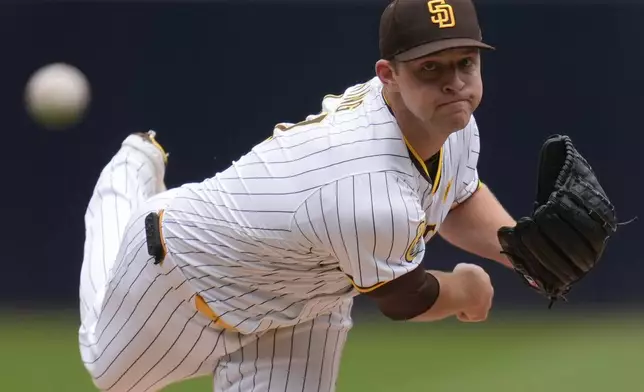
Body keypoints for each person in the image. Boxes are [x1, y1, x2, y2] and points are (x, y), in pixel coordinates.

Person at [78, 0, 518, 391]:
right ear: (388, 75)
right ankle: (131, 171)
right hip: (186, 276)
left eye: (466, 63)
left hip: (307, 304)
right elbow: (406, 297)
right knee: (110, 375)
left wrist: (521, 250)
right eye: (431, 67)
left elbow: (456, 197)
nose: (454, 82)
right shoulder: (363, 184)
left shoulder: (447, 119)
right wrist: (467, 289)